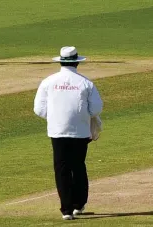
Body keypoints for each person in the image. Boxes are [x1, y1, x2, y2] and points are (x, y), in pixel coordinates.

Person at [34, 46, 103, 221]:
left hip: (57, 131)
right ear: (77, 63)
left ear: (61, 62)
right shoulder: (86, 83)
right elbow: (96, 108)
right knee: (78, 166)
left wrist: (56, 117)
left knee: (62, 169)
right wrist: (80, 115)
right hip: (80, 131)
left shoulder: (48, 81)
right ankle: (78, 205)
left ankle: (66, 210)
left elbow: (39, 109)